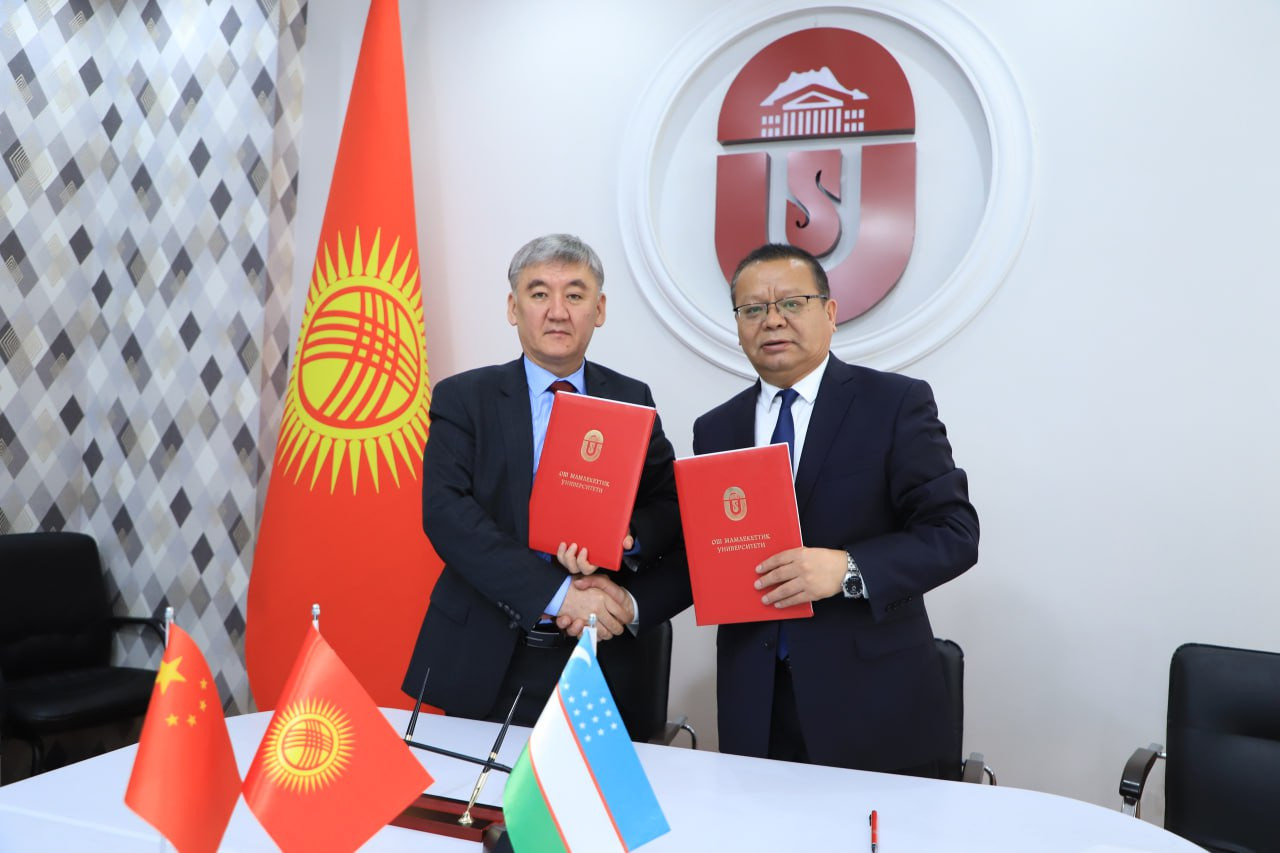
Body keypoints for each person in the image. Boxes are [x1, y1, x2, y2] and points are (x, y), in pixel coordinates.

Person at [692, 243, 979, 775]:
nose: (772, 320)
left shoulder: (894, 404)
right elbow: (708, 554)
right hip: (754, 701)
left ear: (829, 312)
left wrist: (846, 569)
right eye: (753, 309)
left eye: (791, 303)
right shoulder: (715, 429)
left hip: (872, 701)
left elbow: (953, 533)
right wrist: (621, 595)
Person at [401, 234, 685, 734]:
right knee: (477, 784)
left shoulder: (631, 398)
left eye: (574, 295)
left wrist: (628, 538)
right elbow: (447, 515)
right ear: (514, 309)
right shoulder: (465, 398)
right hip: (489, 656)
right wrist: (558, 594)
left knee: (596, 787)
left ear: (599, 310)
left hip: (602, 655)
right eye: (539, 294)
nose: (557, 311)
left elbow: (670, 504)